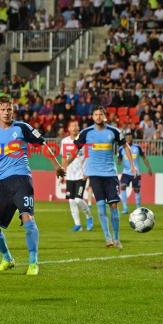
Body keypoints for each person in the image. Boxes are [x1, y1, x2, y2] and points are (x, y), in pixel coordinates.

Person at [0, 94, 65, 275]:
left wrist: (57, 165)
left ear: (13, 110)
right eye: (2, 109)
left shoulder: (23, 128)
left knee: (27, 218)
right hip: (2, 183)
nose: (6, 112)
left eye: (9, 109)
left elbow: (43, 144)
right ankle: (7, 258)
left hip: (21, 179)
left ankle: (33, 262)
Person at [63, 106, 137, 249]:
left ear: (105, 116)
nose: (98, 116)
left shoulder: (114, 131)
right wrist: (65, 165)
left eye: (100, 114)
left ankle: (116, 238)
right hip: (95, 174)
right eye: (95, 114)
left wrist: (132, 166)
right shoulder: (86, 133)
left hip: (110, 174)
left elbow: (126, 147)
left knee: (114, 206)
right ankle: (108, 238)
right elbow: (74, 150)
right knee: (101, 207)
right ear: (92, 117)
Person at [61, 120, 94, 232]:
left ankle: (89, 217)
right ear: (68, 128)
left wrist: (87, 172)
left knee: (78, 200)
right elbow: (64, 159)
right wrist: (62, 172)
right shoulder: (64, 141)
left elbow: (89, 158)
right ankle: (78, 225)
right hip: (70, 175)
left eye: (76, 125)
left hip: (81, 174)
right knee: (71, 201)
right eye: (72, 126)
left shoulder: (84, 141)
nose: (75, 128)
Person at [117, 133, 153, 214]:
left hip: (136, 172)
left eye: (130, 137)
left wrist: (149, 168)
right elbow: (119, 161)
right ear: (125, 139)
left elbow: (144, 158)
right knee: (122, 187)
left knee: (137, 190)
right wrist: (118, 160)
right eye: (127, 138)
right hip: (126, 172)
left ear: (132, 138)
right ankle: (125, 208)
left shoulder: (137, 147)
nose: (129, 139)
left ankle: (138, 207)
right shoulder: (121, 148)